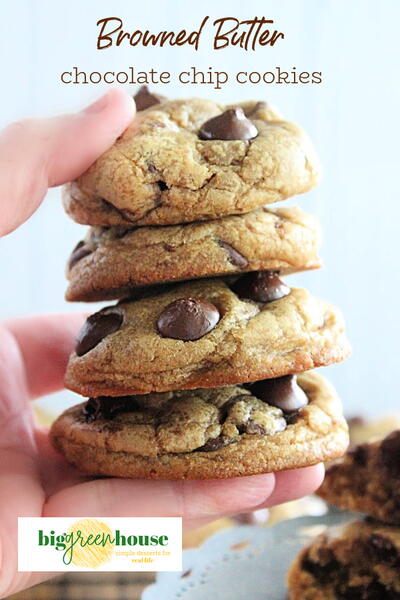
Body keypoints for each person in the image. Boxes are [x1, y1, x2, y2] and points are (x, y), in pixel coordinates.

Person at [0, 89, 324, 597]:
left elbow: (28, 551)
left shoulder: (19, 546)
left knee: (172, 530)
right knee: (176, 526)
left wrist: (12, 560)